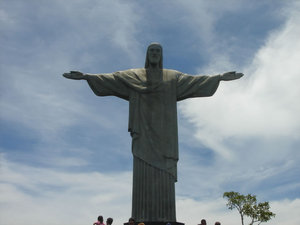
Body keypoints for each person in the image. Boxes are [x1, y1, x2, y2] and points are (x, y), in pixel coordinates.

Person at [63, 43, 243, 222]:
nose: (155, 54)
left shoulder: (172, 77)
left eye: (158, 51)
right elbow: (112, 79)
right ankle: (141, 217)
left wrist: (218, 77)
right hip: (142, 133)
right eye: (152, 51)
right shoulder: (134, 76)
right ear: (147, 54)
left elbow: (195, 82)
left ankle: (166, 217)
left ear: (161, 54)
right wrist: (86, 76)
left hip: (165, 136)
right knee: (142, 171)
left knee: (164, 173)